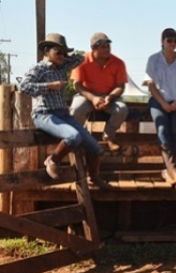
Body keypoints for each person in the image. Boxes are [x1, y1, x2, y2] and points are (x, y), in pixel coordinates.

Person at [19, 33, 111, 189]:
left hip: (62, 114)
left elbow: (80, 58)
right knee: (73, 136)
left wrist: (94, 46)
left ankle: (93, 178)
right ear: (47, 51)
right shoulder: (39, 68)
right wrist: (49, 86)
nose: (62, 56)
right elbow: (23, 86)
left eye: (64, 52)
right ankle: (53, 160)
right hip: (44, 114)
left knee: (95, 148)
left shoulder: (62, 65)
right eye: (58, 52)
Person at [145, 28, 176, 185]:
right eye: (169, 40)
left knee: (174, 133)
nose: (173, 43)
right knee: (163, 131)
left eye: (175, 40)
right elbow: (150, 84)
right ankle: (173, 169)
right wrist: (163, 102)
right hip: (158, 100)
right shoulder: (153, 60)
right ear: (162, 41)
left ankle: (169, 170)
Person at [70, 32, 129, 152]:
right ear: (93, 48)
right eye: (103, 47)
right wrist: (92, 98)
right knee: (76, 109)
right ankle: (78, 137)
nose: (107, 49)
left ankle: (109, 136)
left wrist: (110, 97)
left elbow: (120, 86)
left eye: (108, 46)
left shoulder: (118, 62)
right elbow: (77, 85)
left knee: (122, 109)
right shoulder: (81, 60)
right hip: (87, 95)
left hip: (109, 96)